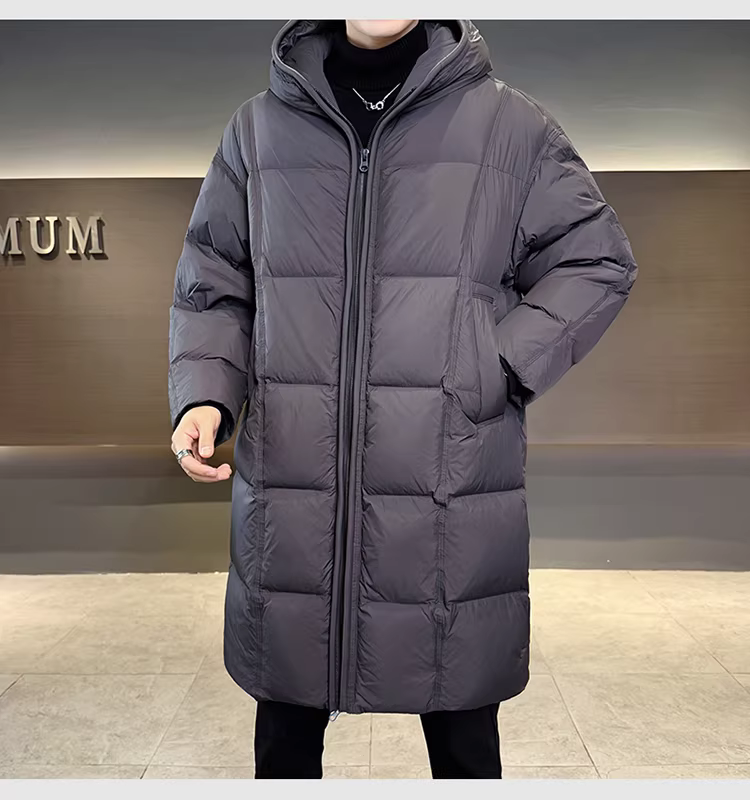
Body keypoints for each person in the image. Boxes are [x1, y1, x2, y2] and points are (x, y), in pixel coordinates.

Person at [168, 19, 638, 779]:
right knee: (284, 739)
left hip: (448, 484)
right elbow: (215, 282)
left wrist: (495, 364)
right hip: (293, 486)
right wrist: (205, 396)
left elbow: (597, 259)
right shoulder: (257, 131)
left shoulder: (510, 127)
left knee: (461, 742)